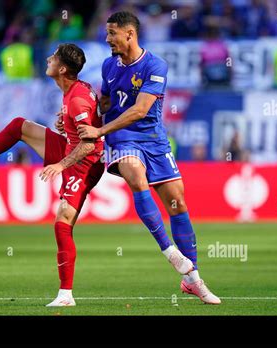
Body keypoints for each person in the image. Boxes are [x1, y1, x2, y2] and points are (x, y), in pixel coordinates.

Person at [76, 11, 220, 304]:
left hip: (153, 140)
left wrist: (99, 129)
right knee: (136, 177)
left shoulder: (155, 65)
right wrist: (79, 117)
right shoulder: (108, 66)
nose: (107, 39)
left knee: (178, 202)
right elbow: (104, 103)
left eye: (112, 33)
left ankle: (192, 279)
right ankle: (169, 251)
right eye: (107, 33)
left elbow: (141, 110)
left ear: (130, 33)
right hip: (122, 137)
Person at [0, 44, 104, 307]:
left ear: (62, 69)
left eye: (53, 58)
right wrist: (66, 124)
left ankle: (66, 296)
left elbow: (88, 144)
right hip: (70, 148)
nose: (48, 59)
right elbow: (84, 126)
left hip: (84, 162)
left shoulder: (75, 99)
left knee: (63, 218)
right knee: (20, 126)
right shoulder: (74, 91)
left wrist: (61, 165)